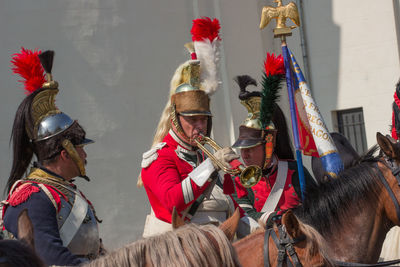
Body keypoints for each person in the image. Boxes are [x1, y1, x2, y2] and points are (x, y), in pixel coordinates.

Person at [139, 17, 258, 237]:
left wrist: (260, 229)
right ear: (175, 118)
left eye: (203, 119)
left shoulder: (202, 155)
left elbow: (229, 205)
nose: (200, 126)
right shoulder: (160, 156)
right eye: (192, 120)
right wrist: (213, 165)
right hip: (175, 249)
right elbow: (172, 201)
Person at [1, 48, 102, 266]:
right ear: (66, 153)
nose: (84, 155)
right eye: (81, 149)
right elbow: (49, 258)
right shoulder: (33, 197)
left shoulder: (62, 190)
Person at [231, 53, 316, 227]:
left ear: (268, 144)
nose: (244, 154)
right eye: (242, 148)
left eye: (251, 147)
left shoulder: (296, 170)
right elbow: (245, 217)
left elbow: (317, 208)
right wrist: (278, 218)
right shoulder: (239, 180)